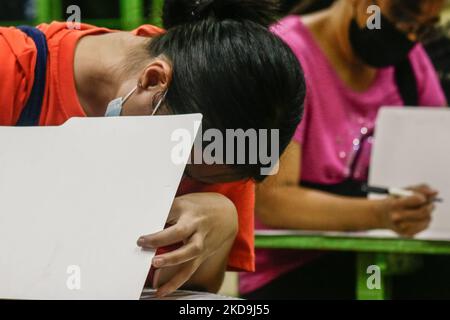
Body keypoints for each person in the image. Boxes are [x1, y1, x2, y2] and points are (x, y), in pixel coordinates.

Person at [0, 0, 306, 297]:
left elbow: (188, 293)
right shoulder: (12, 73)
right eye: (183, 169)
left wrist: (224, 225)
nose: (185, 181)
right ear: (152, 80)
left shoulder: (226, 128)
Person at [240, 0, 447, 299]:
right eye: (401, 15)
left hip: (391, 259)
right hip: (294, 269)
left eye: (424, 28)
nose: (409, 34)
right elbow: (272, 200)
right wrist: (380, 215)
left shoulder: (410, 64)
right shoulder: (284, 56)